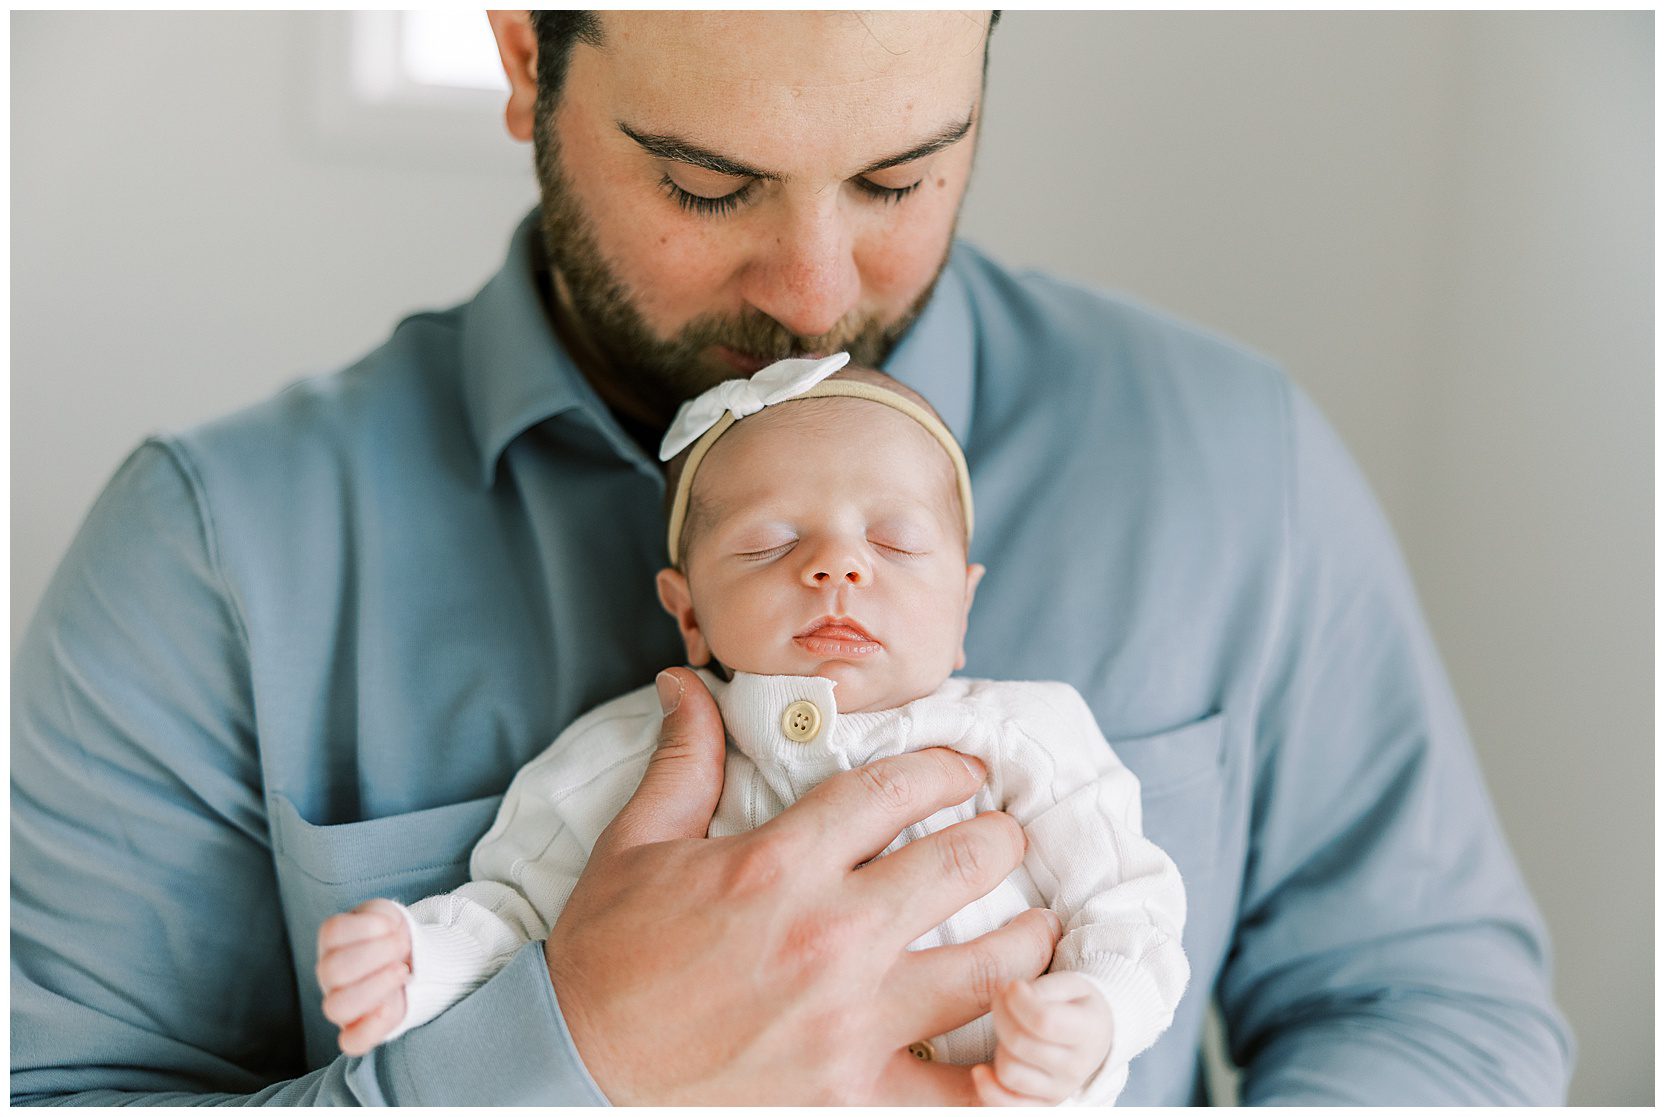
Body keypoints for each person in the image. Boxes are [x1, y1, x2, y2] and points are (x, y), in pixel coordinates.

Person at [10, 10, 1570, 1106]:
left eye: (901, 176)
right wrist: (552, 1065)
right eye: (707, 181)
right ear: (522, 60)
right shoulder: (213, 557)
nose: (817, 292)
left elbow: (1437, 1013)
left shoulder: (1238, 464)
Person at [315, 357, 1191, 1106]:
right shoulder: (620, 762)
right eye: (770, 543)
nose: (837, 565)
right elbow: (521, 920)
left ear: (961, 605)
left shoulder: (1026, 738)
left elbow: (1128, 909)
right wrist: (421, 960)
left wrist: (1095, 1014)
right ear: (688, 613)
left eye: (893, 541)